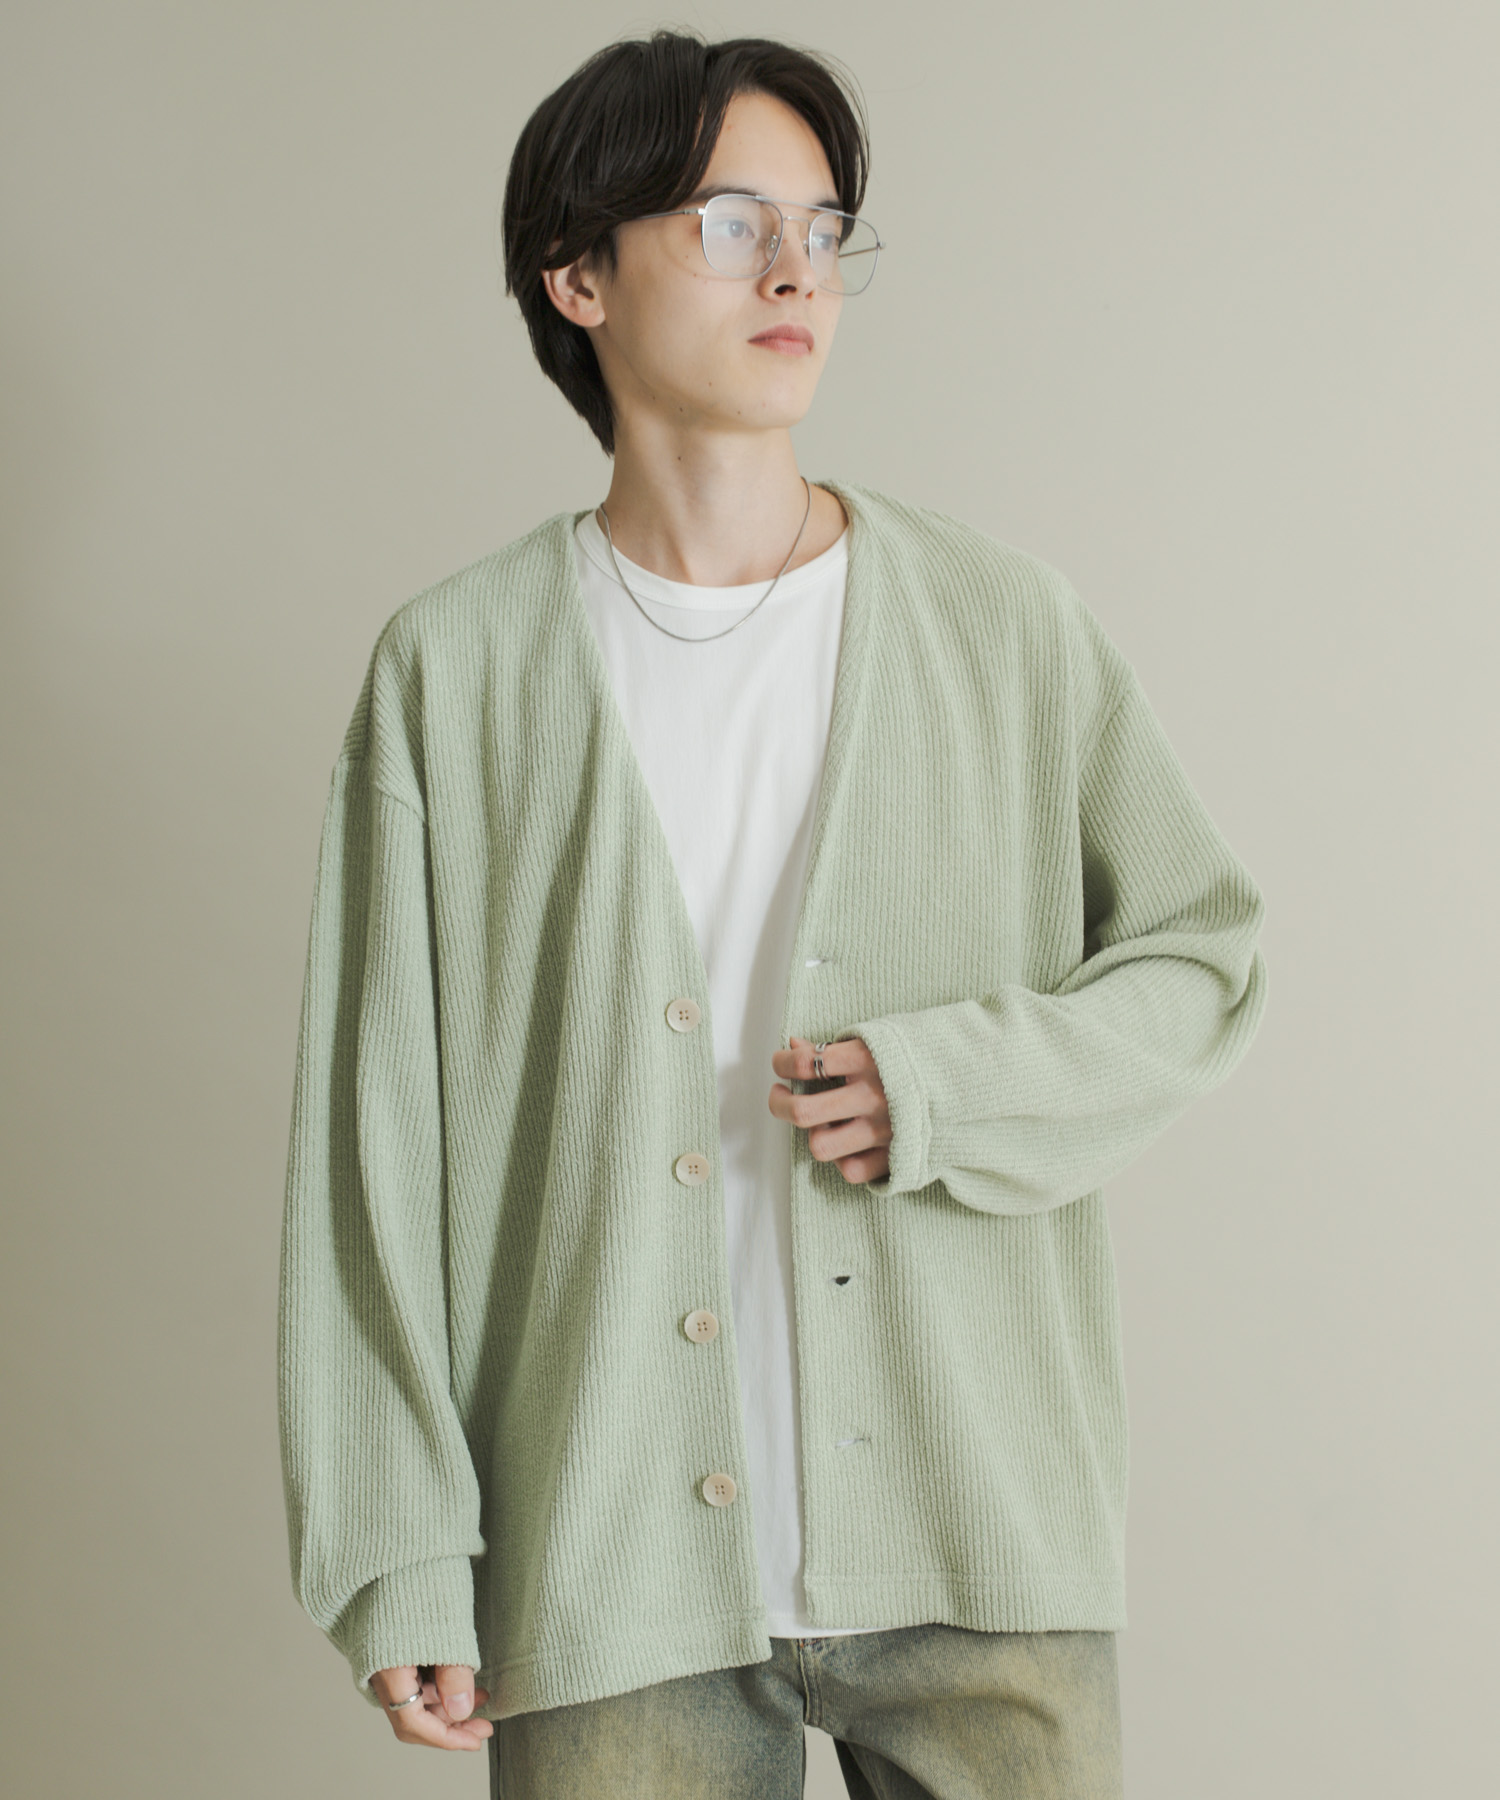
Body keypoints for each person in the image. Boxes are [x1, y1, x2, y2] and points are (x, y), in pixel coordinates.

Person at [276, 29, 1269, 1799]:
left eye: (822, 228)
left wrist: (951, 1086)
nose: (797, 269)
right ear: (578, 274)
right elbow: (378, 1148)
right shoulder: (456, 670)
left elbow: (1206, 957)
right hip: (606, 1562)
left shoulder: (1003, 627)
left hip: (977, 1535)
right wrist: (400, 1545)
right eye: (733, 222)